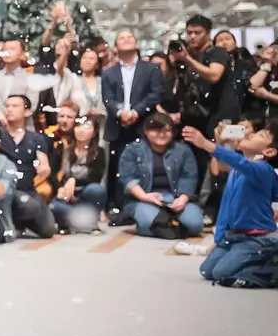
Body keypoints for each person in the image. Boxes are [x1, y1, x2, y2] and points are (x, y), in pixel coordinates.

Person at [183, 120, 278, 287]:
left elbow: (238, 162)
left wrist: (205, 144)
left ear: (269, 151)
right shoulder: (237, 170)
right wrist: (220, 141)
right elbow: (225, 166)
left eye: (260, 135)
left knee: (222, 273)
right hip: (235, 236)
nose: (250, 134)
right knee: (207, 271)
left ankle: (271, 264)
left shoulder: (264, 170)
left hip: (259, 238)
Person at [172, 15, 241, 188]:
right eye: (189, 33)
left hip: (226, 117)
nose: (192, 36)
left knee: (226, 164)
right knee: (205, 165)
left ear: (208, 33)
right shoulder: (195, 57)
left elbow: (214, 75)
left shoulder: (218, 52)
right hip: (202, 118)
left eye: (197, 32)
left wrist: (188, 59)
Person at [101, 29, 163, 209]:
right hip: (117, 126)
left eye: (130, 37)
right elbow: (107, 98)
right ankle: (119, 207)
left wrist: (136, 112)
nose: (126, 40)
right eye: (121, 37)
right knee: (118, 168)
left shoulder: (151, 68)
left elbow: (155, 94)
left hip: (142, 124)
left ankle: (143, 205)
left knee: (143, 165)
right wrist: (121, 113)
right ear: (115, 47)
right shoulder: (108, 73)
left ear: (136, 44)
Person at [117, 113, 204, 239]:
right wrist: (144, 196)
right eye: (156, 130)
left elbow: (189, 176)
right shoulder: (133, 149)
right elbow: (127, 177)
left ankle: (168, 222)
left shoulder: (183, 150)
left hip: (175, 197)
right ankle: (169, 223)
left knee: (195, 226)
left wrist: (183, 198)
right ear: (146, 131)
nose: (162, 134)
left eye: (167, 130)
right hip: (145, 198)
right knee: (147, 225)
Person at [0, 95, 57, 237]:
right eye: (7, 106)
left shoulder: (36, 138)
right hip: (5, 189)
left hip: (28, 189)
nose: (9, 109)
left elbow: (43, 161)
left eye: (15, 106)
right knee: (30, 206)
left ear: (27, 112)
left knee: (49, 230)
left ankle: (20, 222)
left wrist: (44, 168)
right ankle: (9, 222)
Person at [50, 116, 108, 233]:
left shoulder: (99, 152)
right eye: (78, 126)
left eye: (86, 127)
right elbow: (53, 172)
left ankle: (90, 222)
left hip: (85, 193)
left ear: (94, 132)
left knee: (97, 190)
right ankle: (72, 221)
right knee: (55, 207)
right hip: (65, 195)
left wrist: (73, 180)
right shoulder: (63, 147)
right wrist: (60, 188)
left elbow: (95, 177)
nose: (81, 130)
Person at [0, 38, 39, 121]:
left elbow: (32, 107)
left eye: (12, 49)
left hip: (23, 128)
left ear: (22, 53)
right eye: (5, 49)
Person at [214, 30, 258, 114]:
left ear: (235, 43)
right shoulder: (211, 66)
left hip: (246, 110)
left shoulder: (246, 62)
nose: (224, 42)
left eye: (228, 39)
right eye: (220, 40)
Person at [248, 44, 278, 119]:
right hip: (267, 120)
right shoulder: (267, 71)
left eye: (274, 53)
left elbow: (264, 94)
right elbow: (252, 86)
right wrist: (267, 64)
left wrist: (268, 96)